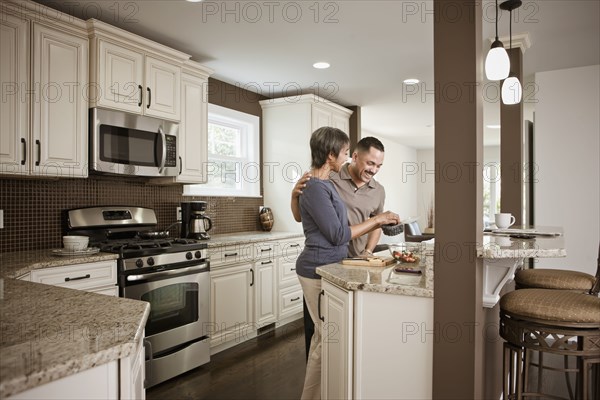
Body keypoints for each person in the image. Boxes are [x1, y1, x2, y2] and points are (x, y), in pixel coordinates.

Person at [296, 127, 399, 399]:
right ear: (336, 155)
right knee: (325, 339)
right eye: (343, 152)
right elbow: (338, 233)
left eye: (379, 165)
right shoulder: (320, 183)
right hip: (319, 267)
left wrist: (368, 248)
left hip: (340, 266)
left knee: (325, 338)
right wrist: (378, 219)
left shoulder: (322, 184)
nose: (374, 169)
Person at [292, 136, 387, 258]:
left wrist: (368, 251)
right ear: (355, 157)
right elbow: (300, 217)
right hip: (329, 258)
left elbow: (376, 225)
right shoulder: (327, 177)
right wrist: (294, 197)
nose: (374, 170)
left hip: (358, 259)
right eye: (370, 163)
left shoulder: (379, 190)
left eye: (379, 166)